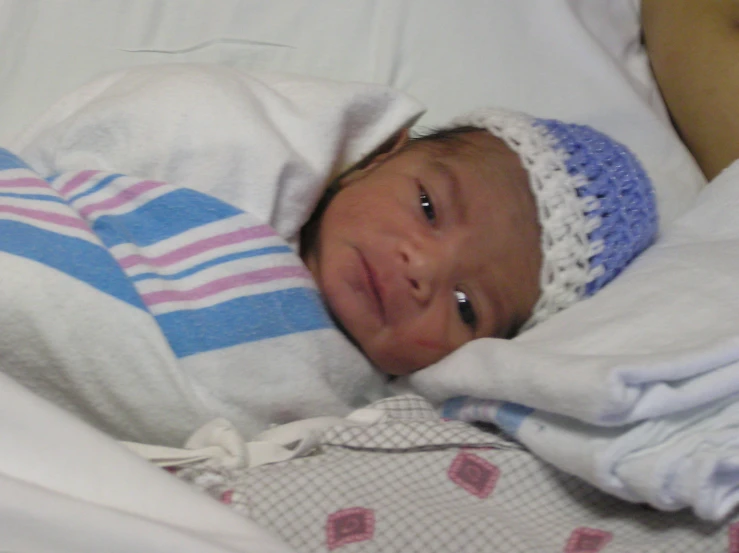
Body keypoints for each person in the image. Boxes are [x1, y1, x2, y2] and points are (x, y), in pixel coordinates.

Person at [300, 107, 659, 375]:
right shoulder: (266, 165)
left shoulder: (373, 421)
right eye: (428, 207)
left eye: (465, 306)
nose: (424, 267)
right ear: (375, 159)